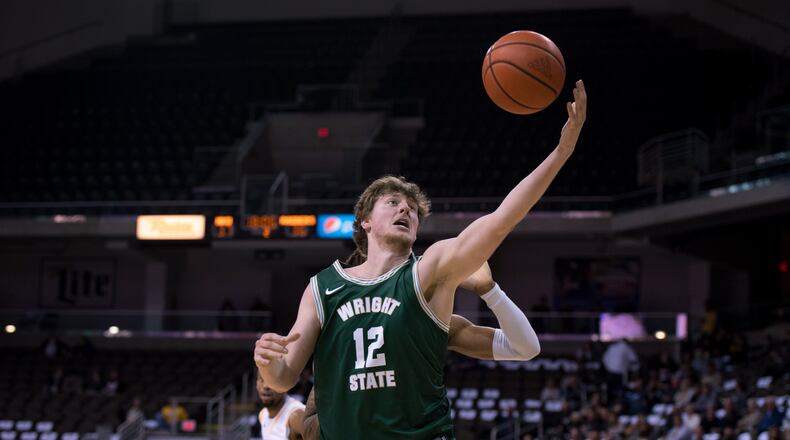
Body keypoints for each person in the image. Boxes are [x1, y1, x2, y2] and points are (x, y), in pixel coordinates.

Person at [254, 81, 587, 439]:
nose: (405, 209)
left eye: (412, 209)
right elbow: (284, 376)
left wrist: (562, 152)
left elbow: (500, 220)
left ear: (415, 230)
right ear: (365, 220)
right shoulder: (323, 287)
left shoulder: (429, 270)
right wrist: (269, 363)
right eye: (393, 202)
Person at [301, 262, 539, 439]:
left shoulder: (434, 324)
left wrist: (489, 290)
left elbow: (525, 347)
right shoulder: (337, 335)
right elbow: (311, 421)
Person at [256, 371, 305, 440]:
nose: (265, 386)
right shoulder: (263, 414)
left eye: (271, 380)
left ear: (284, 385)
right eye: (261, 380)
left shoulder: (296, 415)